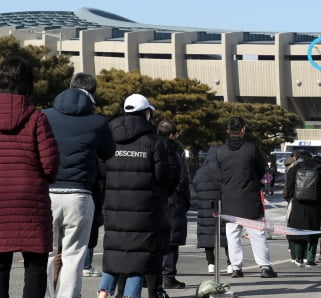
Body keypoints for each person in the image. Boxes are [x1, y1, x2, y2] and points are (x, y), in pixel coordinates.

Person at [0, 56, 60, 298]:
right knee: (34, 265)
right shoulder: (36, 118)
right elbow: (50, 163)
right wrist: (44, 178)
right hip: (32, 200)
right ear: (27, 83)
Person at [42, 72, 116, 298]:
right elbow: (108, 152)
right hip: (80, 194)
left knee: (47, 253)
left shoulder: (45, 116)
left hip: (48, 192)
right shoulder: (98, 122)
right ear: (93, 93)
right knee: (74, 255)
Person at [97, 94, 170, 298]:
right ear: (147, 113)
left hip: (114, 206)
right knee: (138, 259)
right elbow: (162, 176)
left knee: (115, 253)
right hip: (144, 210)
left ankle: (103, 294)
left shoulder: (109, 138)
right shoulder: (154, 142)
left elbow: (101, 170)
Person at [217, 117, 277, 278]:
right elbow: (261, 169)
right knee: (257, 233)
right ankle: (265, 267)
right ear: (243, 130)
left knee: (233, 234)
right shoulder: (251, 148)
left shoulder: (221, 151)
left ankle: (236, 267)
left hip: (229, 197)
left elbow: (218, 172)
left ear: (227, 131)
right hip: (249, 196)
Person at [157, 120, 189, 291]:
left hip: (155, 200)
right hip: (173, 200)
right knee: (172, 241)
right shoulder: (174, 153)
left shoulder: (151, 147)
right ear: (172, 135)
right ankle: (168, 277)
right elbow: (182, 180)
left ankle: (154, 276)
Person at [285, 153, 321, 267]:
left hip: (297, 204)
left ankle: (299, 258)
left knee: (298, 231)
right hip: (314, 205)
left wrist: (290, 197)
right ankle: (310, 259)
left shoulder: (295, 168)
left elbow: (289, 187)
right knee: (312, 231)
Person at [193, 146, 232, 274]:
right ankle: (230, 264)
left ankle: (211, 264)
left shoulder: (200, 172)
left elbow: (195, 187)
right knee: (227, 236)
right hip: (224, 207)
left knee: (208, 236)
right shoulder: (225, 171)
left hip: (205, 209)